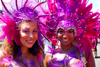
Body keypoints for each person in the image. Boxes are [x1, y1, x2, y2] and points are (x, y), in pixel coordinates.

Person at [44, 0, 100, 67]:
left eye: (70, 31)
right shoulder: (49, 55)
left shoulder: (84, 53)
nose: (65, 36)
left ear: (75, 33)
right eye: (61, 31)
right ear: (56, 32)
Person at [0, 0, 47, 67]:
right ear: (16, 32)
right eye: (26, 31)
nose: (31, 36)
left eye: (34, 31)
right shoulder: (3, 56)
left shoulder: (39, 54)